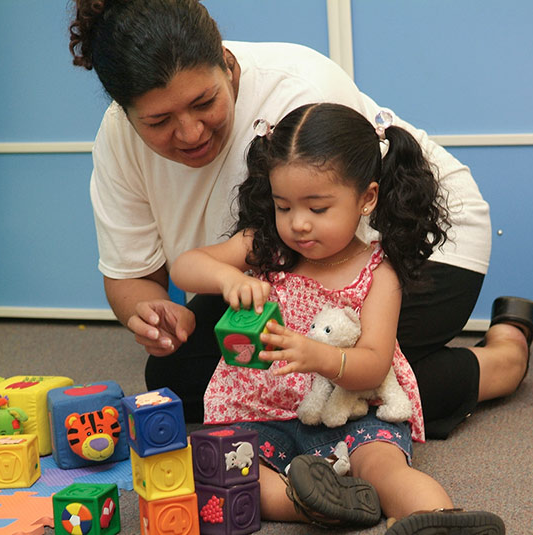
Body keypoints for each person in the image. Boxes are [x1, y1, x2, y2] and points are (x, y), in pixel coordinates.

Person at [68, 0, 533, 438]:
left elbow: (340, 243)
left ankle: (503, 358)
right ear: (125, 113)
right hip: (286, 268)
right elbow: (132, 276)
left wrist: (320, 357)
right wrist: (154, 314)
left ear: (228, 64)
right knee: (177, 380)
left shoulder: (298, 90)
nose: (190, 132)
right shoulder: (118, 141)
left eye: (204, 102)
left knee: (354, 390)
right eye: (158, 121)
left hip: (405, 243)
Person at [170, 102, 505, 534]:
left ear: (366, 198)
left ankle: (438, 519)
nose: (298, 224)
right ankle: (313, 503)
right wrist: (224, 277)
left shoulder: (379, 272)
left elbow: (373, 365)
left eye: (318, 208)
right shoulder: (267, 247)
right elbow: (185, 266)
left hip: (351, 412)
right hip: (258, 411)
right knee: (219, 473)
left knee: (382, 468)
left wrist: (316, 355)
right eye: (283, 206)